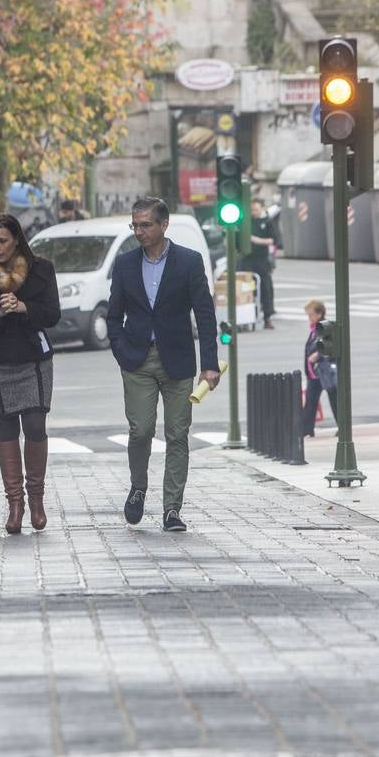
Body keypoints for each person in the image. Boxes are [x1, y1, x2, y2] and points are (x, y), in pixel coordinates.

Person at [107, 196, 219, 533]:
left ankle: (172, 508)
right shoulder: (126, 264)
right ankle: (138, 487)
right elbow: (113, 315)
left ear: (163, 225)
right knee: (140, 429)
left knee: (177, 434)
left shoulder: (188, 262)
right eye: (135, 225)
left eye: (145, 225)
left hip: (178, 360)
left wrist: (210, 364)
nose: (139, 231)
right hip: (137, 358)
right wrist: (120, 348)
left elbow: (205, 314)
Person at [0, 214, 61, 535]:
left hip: (33, 355)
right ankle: (15, 504)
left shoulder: (41, 268)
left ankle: (36, 500)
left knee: (35, 423)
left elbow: (53, 313)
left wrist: (23, 308)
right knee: (5, 429)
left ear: (17, 239)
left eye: (3, 241)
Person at [238, 196, 279, 328]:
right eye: (252, 209)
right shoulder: (247, 221)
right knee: (246, 288)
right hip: (247, 259)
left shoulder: (268, 221)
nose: (253, 212)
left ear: (261, 208)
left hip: (261, 259)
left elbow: (274, 240)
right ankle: (246, 317)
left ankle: (267, 316)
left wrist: (257, 240)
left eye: (256, 209)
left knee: (265, 288)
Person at [302, 300, 337, 436]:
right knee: (310, 400)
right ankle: (306, 429)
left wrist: (318, 355)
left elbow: (331, 346)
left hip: (324, 370)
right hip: (314, 372)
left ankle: (343, 426)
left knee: (334, 400)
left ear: (319, 313)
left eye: (311, 315)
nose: (309, 318)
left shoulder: (325, 327)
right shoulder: (314, 328)